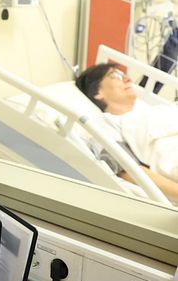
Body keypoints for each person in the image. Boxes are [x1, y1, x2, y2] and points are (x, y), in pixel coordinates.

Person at [75, 62, 178, 202]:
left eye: (124, 74)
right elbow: (129, 170)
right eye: (115, 76)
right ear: (98, 92)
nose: (128, 79)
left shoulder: (153, 111)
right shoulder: (107, 124)